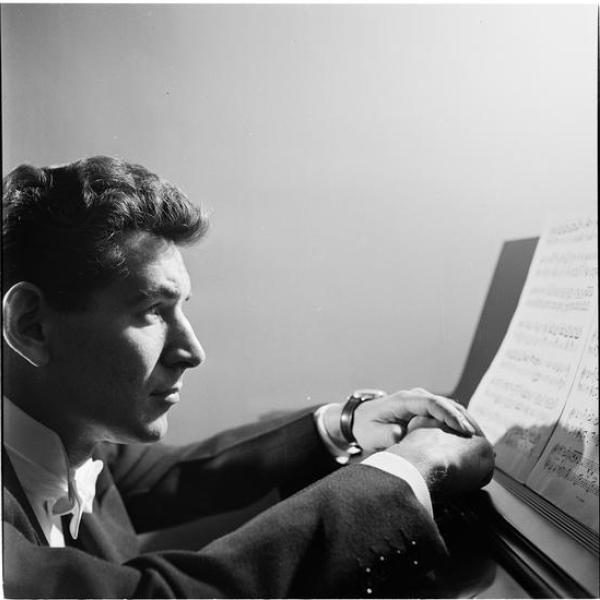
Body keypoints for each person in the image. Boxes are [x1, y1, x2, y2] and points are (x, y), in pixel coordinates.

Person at [1, 156, 494, 598]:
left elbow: (179, 477)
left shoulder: (69, 438)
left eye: (182, 309)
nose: (192, 352)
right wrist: (407, 470)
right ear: (32, 326)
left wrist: (345, 423)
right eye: (153, 309)